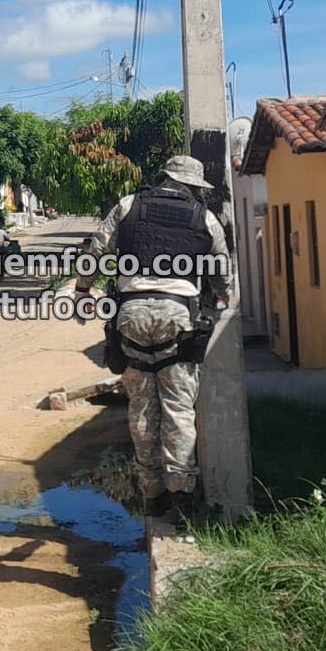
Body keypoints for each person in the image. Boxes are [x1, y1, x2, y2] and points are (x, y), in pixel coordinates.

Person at [60, 155, 231, 520]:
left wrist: (82, 290)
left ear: (164, 178)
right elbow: (220, 270)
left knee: (141, 405)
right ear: (192, 186)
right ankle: (180, 494)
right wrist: (222, 299)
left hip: (132, 315)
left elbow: (95, 251)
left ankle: (152, 493)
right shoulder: (204, 217)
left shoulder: (128, 205)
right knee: (177, 408)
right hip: (177, 316)